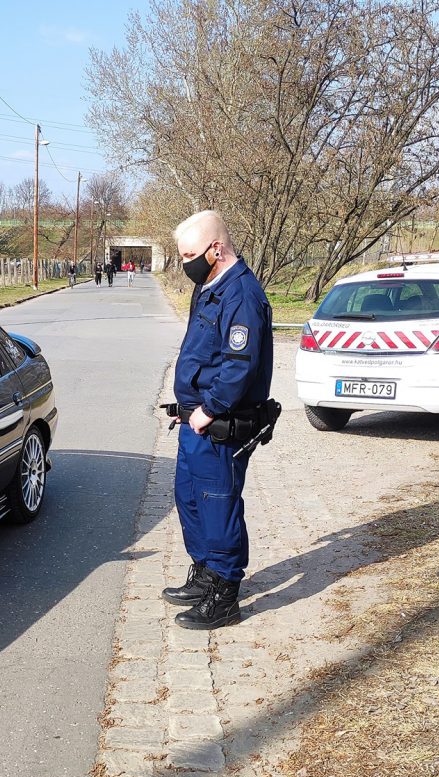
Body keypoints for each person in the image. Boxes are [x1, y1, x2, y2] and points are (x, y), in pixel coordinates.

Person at [162, 210, 272, 630]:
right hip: (194, 423)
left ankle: (225, 595)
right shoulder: (209, 286)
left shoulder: (241, 294)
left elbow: (239, 365)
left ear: (216, 248)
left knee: (218, 503)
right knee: (190, 499)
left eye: (190, 254)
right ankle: (205, 573)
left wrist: (208, 410)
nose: (186, 262)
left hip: (218, 425)